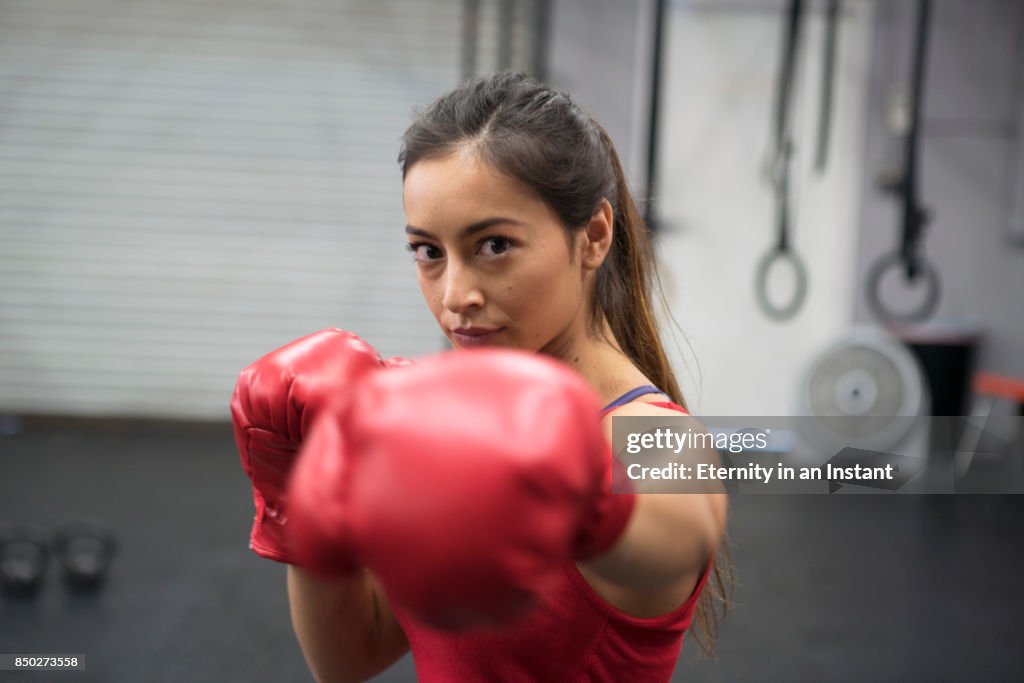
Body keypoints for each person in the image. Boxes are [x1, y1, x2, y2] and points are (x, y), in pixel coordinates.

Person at [231, 71, 731, 682]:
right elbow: (348, 659)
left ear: (594, 236)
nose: (455, 296)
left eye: (494, 245)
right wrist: (293, 496)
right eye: (428, 251)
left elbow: (675, 527)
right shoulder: (444, 419)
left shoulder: (660, 444)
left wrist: (570, 491)